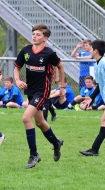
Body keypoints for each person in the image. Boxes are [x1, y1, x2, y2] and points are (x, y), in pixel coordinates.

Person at [14, 23, 64, 169]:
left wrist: (60, 85)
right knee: (40, 122)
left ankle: (34, 154)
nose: (34, 36)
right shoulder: (26, 51)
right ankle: (56, 143)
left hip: (43, 91)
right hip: (31, 90)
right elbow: (17, 68)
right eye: (33, 34)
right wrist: (17, 80)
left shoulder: (49, 53)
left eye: (38, 35)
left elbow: (60, 66)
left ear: (45, 38)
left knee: (25, 118)